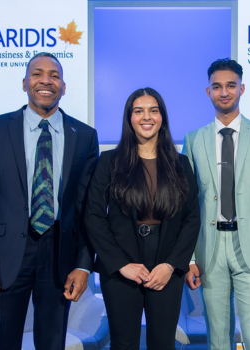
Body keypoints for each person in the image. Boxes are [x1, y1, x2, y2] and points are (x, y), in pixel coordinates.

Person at [0, 52, 99, 350]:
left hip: (60, 258)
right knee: (0, 341)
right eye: (38, 73)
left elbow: (86, 209)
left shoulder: (85, 136)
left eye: (54, 75)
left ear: (63, 87)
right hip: (4, 258)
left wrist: (83, 265)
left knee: (53, 343)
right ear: (25, 82)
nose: (46, 80)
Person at [183, 58, 250, 350]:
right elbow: (188, 205)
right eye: (217, 87)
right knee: (218, 339)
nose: (224, 92)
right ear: (208, 92)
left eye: (231, 85)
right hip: (210, 250)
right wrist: (191, 258)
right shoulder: (193, 140)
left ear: (241, 88)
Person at [85, 87, 200, 350]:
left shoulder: (181, 163)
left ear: (162, 118)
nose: (146, 117)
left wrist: (171, 265)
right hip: (121, 262)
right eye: (138, 111)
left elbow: (192, 218)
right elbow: (93, 216)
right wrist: (121, 264)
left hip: (166, 260)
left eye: (153, 110)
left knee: (163, 343)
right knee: (123, 343)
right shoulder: (109, 162)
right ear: (129, 118)